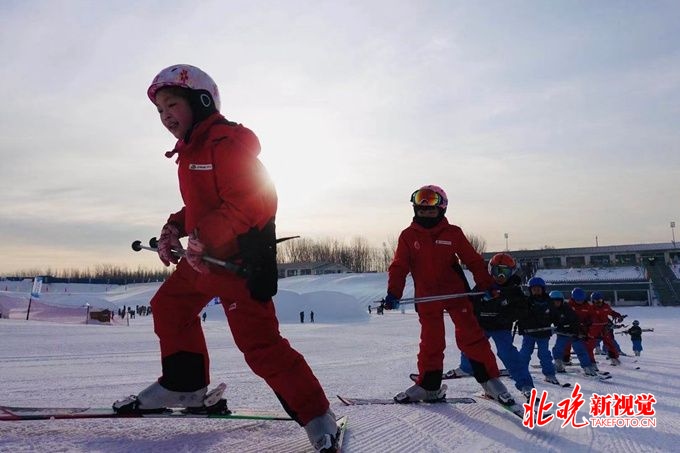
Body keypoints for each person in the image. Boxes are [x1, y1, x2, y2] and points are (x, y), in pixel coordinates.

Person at [112, 65, 338, 452]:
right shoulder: (191, 151)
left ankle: (317, 415)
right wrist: (174, 228)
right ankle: (185, 387)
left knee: (260, 347)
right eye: (160, 110)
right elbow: (200, 206)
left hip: (236, 265)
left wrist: (204, 235)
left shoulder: (227, 142)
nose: (166, 116)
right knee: (168, 306)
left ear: (201, 102)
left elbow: (255, 199)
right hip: (201, 262)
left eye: (172, 104)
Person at [383, 185, 514, 405]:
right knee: (431, 341)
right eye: (422, 209)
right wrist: (393, 293)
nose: (426, 213)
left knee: (471, 337)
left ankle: (490, 381)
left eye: (431, 210)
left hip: (455, 293)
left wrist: (486, 283)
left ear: (441, 209)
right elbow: (399, 267)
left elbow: (472, 260)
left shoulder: (453, 233)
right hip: (427, 296)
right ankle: (429, 386)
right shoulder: (408, 236)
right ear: (415, 209)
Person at [454, 253, 534, 400]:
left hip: (501, 327)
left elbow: (523, 309)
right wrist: (482, 298)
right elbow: (471, 302)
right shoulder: (483, 285)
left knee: (507, 353)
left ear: (511, 272)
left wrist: (507, 314)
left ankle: (525, 384)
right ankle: (466, 367)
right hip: (482, 325)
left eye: (505, 272)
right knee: (471, 345)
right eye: (498, 271)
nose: (501, 276)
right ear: (491, 270)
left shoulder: (514, 290)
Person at [517, 277, 559, 384]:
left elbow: (555, 316)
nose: (536, 291)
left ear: (543, 289)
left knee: (544, 354)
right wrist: (522, 329)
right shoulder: (527, 301)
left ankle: (549, 374)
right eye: (534, 289)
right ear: (530, 290)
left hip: (543, 334)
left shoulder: (549, 302)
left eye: (538, 289)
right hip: (529, 333)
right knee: (525, 353)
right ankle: (521, 372)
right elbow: (521, 317)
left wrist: (559, 324)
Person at [548, 290, 597, 376]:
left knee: (580, 349)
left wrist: (575, 331)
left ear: (562, 301)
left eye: (558, 301)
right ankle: (559, 364)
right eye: (554, 301)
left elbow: (574, 320)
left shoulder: (567, 308)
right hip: (562, 334)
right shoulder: (550, 310)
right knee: (558, 349)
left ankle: (587, 367)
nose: (556, 303)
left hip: (574, 333)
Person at [588, 292, 624, 366]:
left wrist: (618, 316)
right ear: (592, 301)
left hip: (604, 328)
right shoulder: (591, 308)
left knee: (609, 343)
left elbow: (611, 312)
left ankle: (613, 358)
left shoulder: (606, 307)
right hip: (594, 328)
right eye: (596, 301)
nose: (598, 303)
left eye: (600, 300)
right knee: (590, 344)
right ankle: (590, 361)